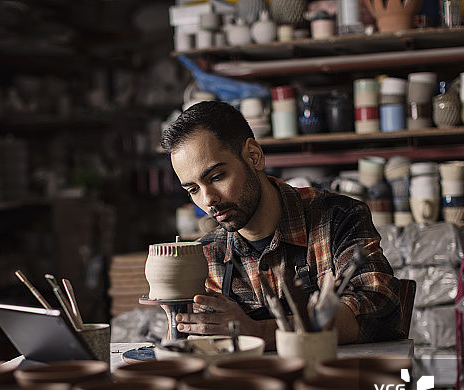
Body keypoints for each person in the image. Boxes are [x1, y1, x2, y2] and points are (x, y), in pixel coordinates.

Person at [159, 100, 402, 347]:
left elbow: (377, 307)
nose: (208, 199)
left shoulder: (338, 217)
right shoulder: (207, 255)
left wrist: (258, 331)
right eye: (193, 189)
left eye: (217, 177)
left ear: (253, 156)